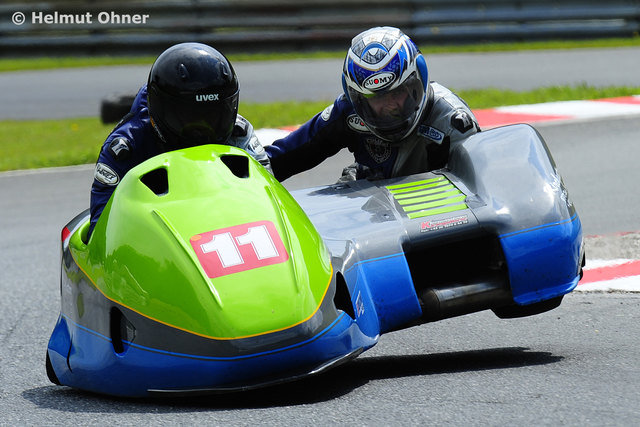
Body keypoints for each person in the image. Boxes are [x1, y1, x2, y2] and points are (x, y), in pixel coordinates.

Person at [89, 42, 270, 237]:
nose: (200, 131)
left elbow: (268, 199)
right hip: (154, 238)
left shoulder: (239, 134)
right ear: (158, 109)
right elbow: (101, 230)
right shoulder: (125, 147)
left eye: (211, 115)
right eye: (189, 116)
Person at [265, 26, 480, 182]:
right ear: (356, 98)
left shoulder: (453, 122)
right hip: (374, 210)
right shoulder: (349, 112)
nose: (389, 106)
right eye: (376, 98)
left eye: (396, 92)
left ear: (416, 82)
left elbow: (482, 191)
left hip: (435, 214)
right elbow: (284, 157)